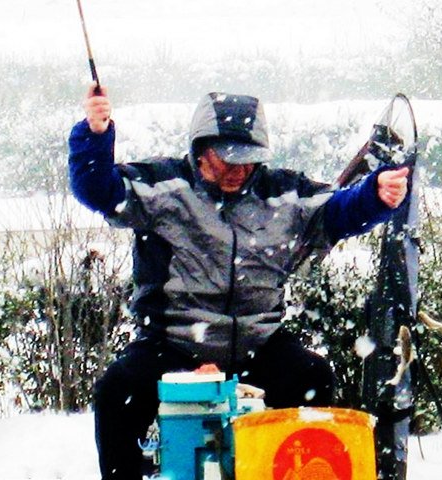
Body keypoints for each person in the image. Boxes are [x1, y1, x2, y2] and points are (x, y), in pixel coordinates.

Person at [68, 83, 409, 480]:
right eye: (227, 159)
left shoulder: (284, 194)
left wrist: (376, 195)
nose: (238, 170)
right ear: (200, 149)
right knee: (116, 391)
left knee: (312, 376)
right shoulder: (163, 188)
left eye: (248, 160)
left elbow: (339, 209)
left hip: (258, 346)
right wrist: (95, 135)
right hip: (173, 345)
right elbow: (97, 189)